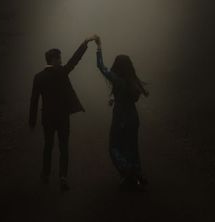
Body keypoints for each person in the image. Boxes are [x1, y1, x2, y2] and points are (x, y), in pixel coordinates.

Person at [29, 36, 96, 191]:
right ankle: (63, 177)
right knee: (64, 146)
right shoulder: (62, 72)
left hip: (47, 117)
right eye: (59, 58)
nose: (61, 61)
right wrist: (84, 44)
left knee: (48, 145)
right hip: (62, 117)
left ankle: (45, 174)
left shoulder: (38, 77)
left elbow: (33, 100)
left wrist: (32, 121)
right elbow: (74, 60)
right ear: (53, 59)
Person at [94, 34, 149, 190]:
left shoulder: (117, 80)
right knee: (132, 146)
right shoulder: (133, 80)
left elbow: (101, 66)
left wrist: (99, 46)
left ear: (117, 66)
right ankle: (136, 172)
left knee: (114, 147)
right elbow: (130, 97)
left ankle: (127, 171)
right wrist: (115, 98)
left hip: (120, 118)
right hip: (133, 117)